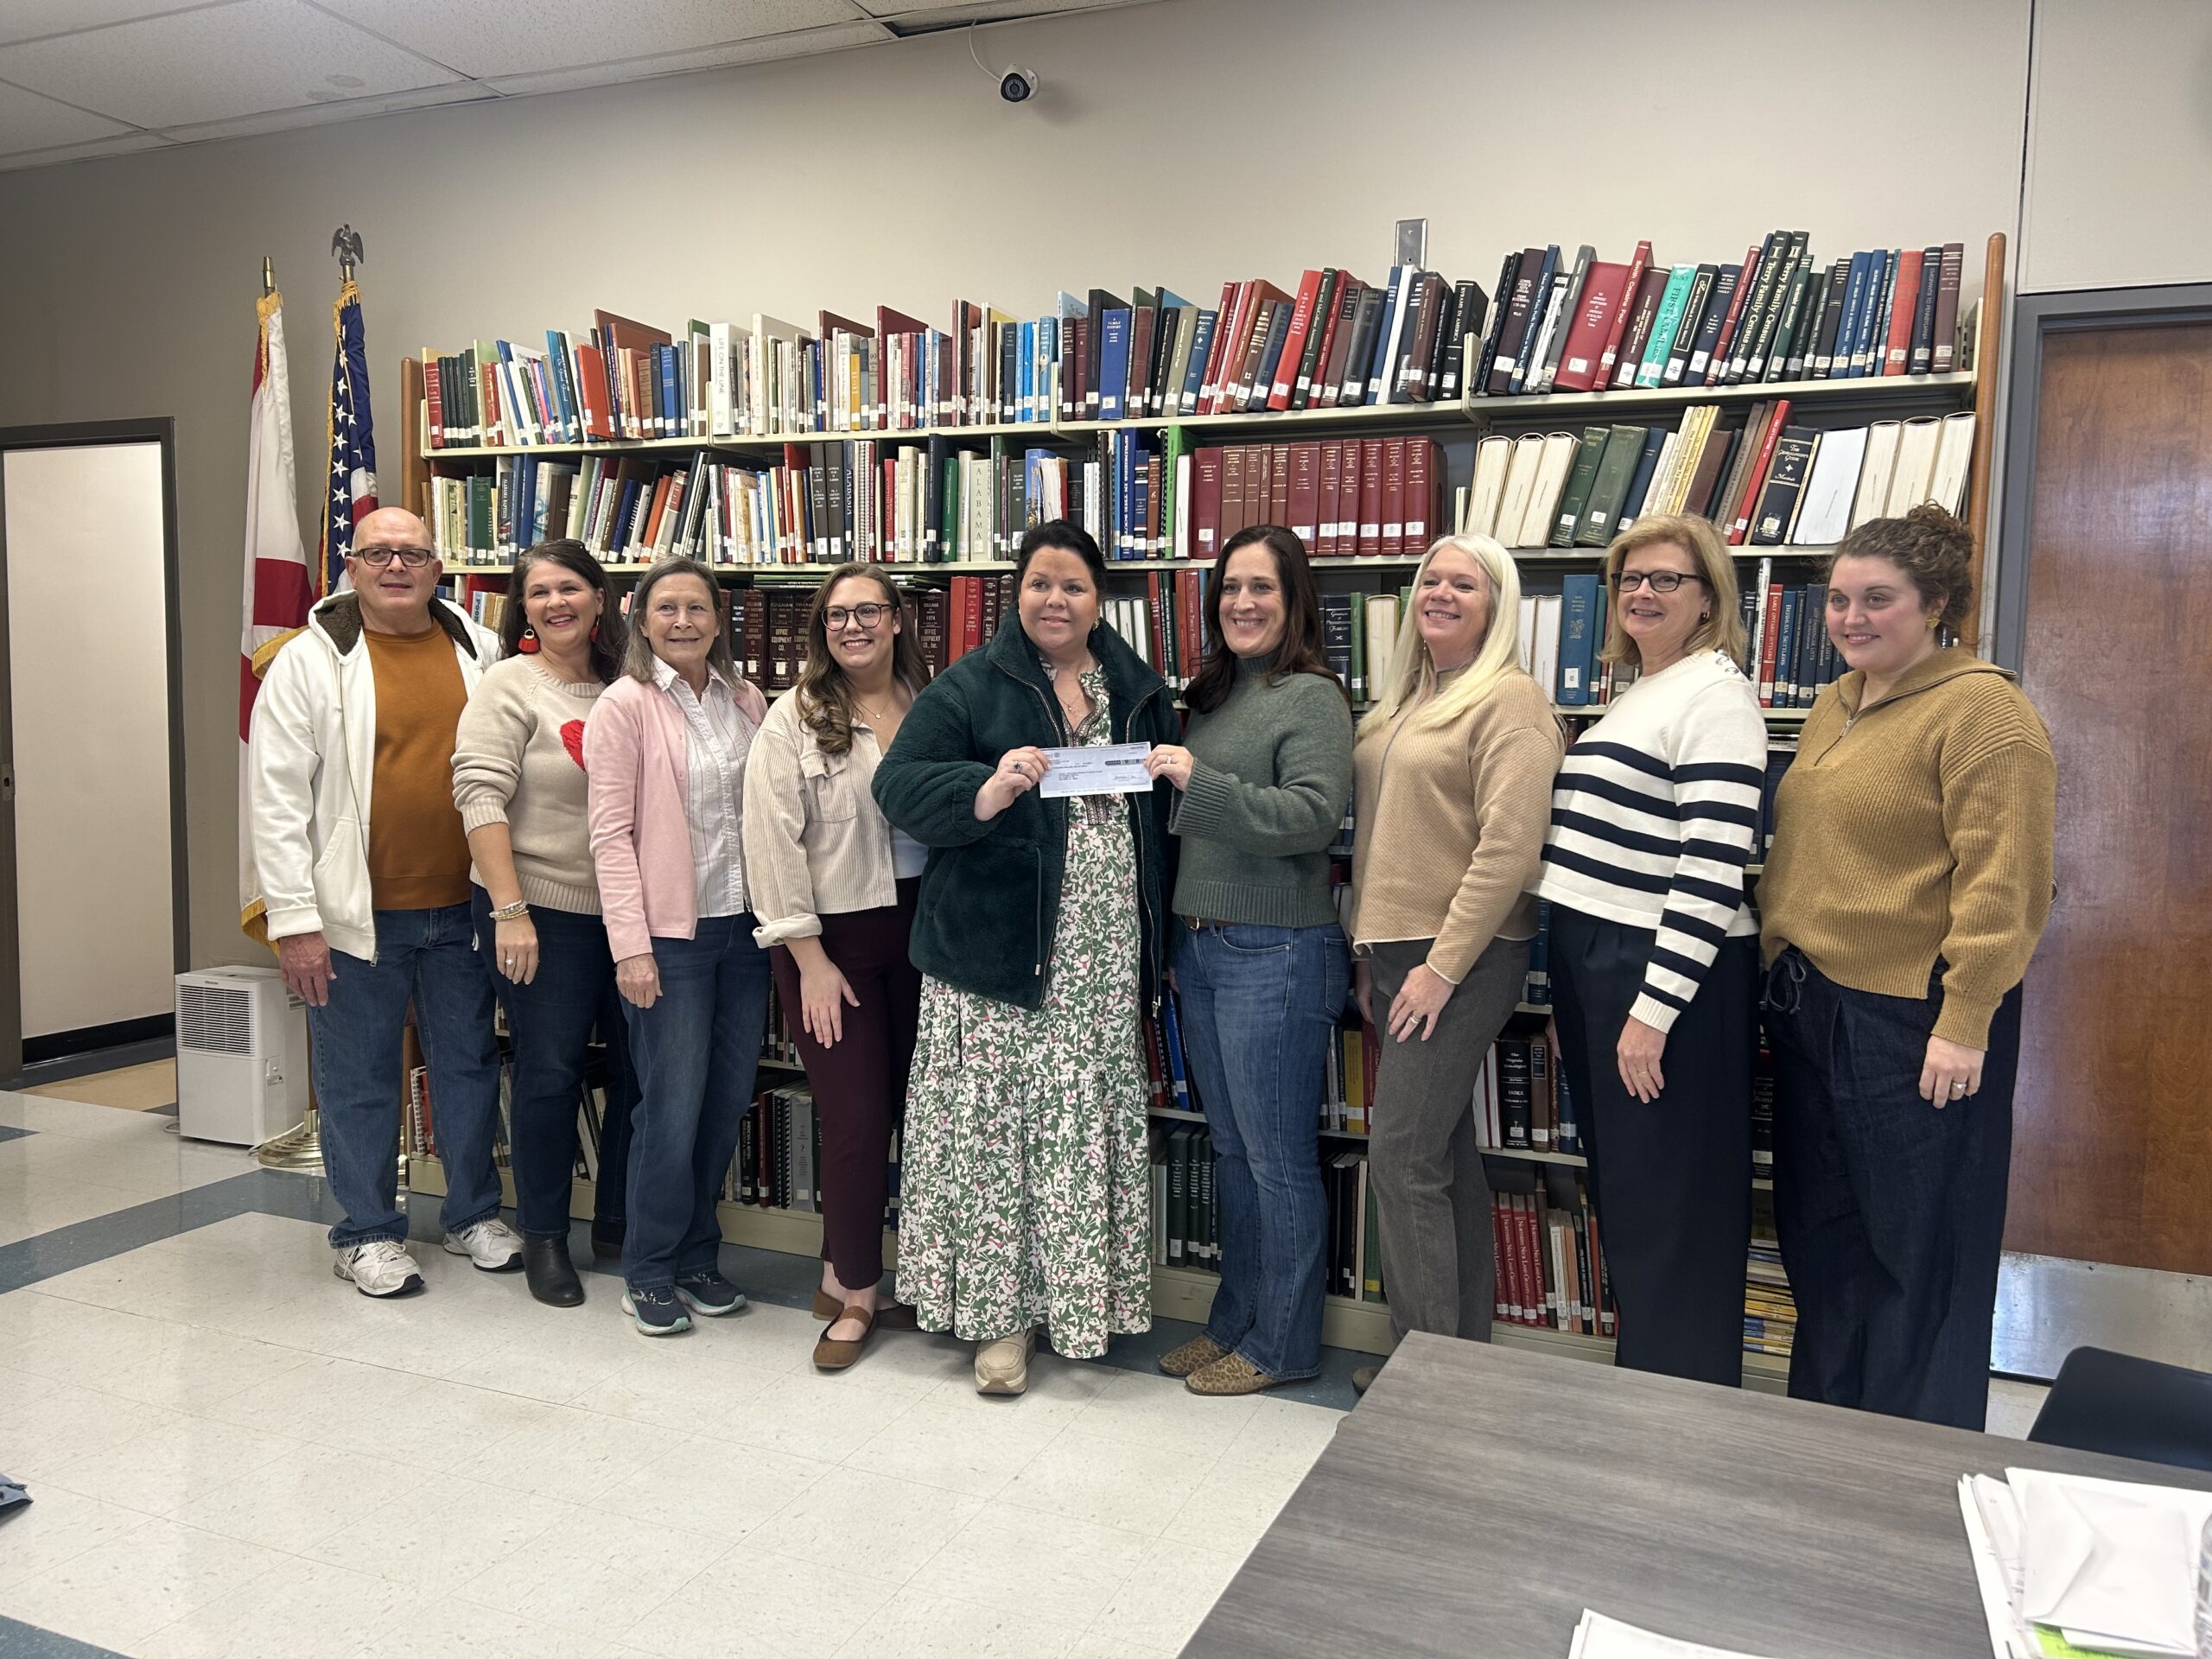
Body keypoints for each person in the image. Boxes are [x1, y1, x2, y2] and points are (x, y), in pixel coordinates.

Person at [1759, 504, 2055, 1429]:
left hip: (1911, 1021)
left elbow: (2006, 885)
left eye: (1877, 599)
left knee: (1919, 1255)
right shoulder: (1835, 702)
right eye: (1839, 600)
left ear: (1935, 604)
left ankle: (1911, 1460)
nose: (1851, 618)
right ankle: (1826, 1437)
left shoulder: (1986, 713)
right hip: (1809, 1005)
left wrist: (1965, 1021)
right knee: (1823, 1242)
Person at [874, 519, 1179, 1395]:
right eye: (1040, 582)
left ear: (1098, 600)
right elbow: (896, 784)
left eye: (1074, 586)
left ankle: (1076, 1307)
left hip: (1100, 963)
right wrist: (987, 787)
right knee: (996, 1144)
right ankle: (1000, 1322)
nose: (1056, 599)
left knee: (1076, 1136)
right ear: (1018, 593)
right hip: (996, 966)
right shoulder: (972, 683)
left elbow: (1160, 829)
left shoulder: (1137, 690)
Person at [247, 505, 523, 1296]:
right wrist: (294, 921)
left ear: (437, 568)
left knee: (468, 1068)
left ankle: (472, 1215)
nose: (396, 566)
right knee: (359, 1078)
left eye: (412, 554)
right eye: (378, 554)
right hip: (351, 917)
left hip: (465, 911)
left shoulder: (479, 650)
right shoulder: (308, 662)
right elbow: (275, 801)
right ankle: (365, 1233)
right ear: (352, 567)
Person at [1534, 512, 1764, 1387]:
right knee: (1630, 1196)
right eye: (1629, 578)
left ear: (1708, 599)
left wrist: (1650, 1013)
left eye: (1667, 579)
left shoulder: (1716, 697)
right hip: (1604, 963)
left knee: (1674, 1210)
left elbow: (1711, 870)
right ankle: (1645, 1395)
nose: (1642, 593)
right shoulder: (1646, 689)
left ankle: (1681, 1412)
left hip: (1664, 974)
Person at [1143, 525, 1353, 1396]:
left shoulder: (1312, 697)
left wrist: (1199, 781)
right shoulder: (1216, 694)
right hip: (1202, 947)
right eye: (1230, 587)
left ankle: (1282, 1347)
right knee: (1232, 1152)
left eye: (1262, 587)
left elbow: (1311, 818)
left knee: (1276, 1161)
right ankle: (1235, 1323)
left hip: (1278, 951)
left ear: (1293, 599)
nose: (1243, 602)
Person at [1349, 533, 1562, 1391]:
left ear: (1496, 605)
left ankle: (1424, 1380)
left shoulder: (1511, 701)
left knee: (1401, 1156)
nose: (1439, 593)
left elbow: (1509, 851)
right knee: (1438, 1152)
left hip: (1461, 958)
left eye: (1463, 584)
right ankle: (1459, 1359)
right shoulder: (1412, 695)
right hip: (1397, 951)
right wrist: (1368, 953)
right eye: (1430, 580)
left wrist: (1440, 968)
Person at [742, 563, 928, 1370]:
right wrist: (809, 960)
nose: (852, 626)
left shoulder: (929, 703)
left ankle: (854, 1274)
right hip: (831, 944)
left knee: (923, 1115)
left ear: (896, 619)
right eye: (836, 615)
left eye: (867, 611)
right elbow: (769, 842)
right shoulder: (793, 716)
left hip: (925, 934)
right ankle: (856, 1291)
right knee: (856, 1120)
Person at [584, 555, 770, 1338]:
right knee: (670, 1107)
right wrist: (630, 947)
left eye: (698, 608)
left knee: (724, 1103)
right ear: (641, 620)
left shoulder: (747, 700)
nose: (684, 621)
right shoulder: (624, 706)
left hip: (747, 932)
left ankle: (698, 1256)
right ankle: (649, 1268)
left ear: (719, 620)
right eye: (668, 608)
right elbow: (610, 837)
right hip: (670, 940)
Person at [452, 540, 637, 1307]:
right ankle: (546, 1238)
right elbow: (479, 795)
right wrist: (510, 910)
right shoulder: (509, 684)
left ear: (601, 598)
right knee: (550, 1073)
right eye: (539, 593)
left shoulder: (632, 682)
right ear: (522, 609)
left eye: (571, 588)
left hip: (630, 912)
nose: (556, 603)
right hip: (539, 909)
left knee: (641, 1074)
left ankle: (620, 1225)